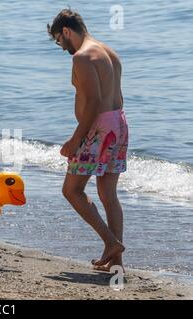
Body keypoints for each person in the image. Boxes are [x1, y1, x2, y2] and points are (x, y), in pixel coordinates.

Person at [47, 9, 128, 271]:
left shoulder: (82, 57)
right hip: (119, 124)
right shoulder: (108, 51)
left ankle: (110, 242)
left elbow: (93, 102)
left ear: (66, 31)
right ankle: (116, 262)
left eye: (60, 41)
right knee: (108, 194)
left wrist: (75, 140)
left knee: (71, 190)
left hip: (97, 128)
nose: (62, 47)